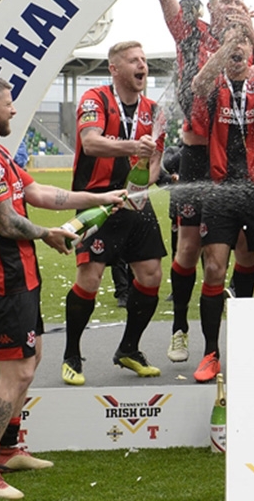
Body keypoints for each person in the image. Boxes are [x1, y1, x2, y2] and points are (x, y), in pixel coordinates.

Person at [0, 74, 123, 499]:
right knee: (17, 373)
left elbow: (39, 193)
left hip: (19, 274)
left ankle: (8, 449)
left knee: (31, 361)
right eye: (8, 103)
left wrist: (100, 198)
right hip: (0, 279)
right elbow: (6, 222)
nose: (14, 109)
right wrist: (48, 234)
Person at [188, 13, 254, 382]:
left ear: (252, 50)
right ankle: (210, 353)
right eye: (232, 42)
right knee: (215, 268)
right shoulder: (214, 82)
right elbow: (197, 84)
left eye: (243, 43)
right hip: (221, 191)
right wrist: (228, 44)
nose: (238, 48)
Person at [158, 0, 244, 363]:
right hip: (196, 155)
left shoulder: (251, 43)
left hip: (237, 158)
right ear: (210, 7)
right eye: (224, 1)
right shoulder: (192, 33)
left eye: (237, 1)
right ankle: (179, 327)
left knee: (236, 250)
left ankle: (238, 335)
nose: (231, 7)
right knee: (189, 247)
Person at [60, 41, 167, 386]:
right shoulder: (95, 99)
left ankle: (129, 349)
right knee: (89, 278)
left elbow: (156, 161)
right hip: (96, 200)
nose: (142, 65)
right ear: (115, 69)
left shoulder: (154, 110)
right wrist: (133, 146)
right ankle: (71, 355)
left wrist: (141, 186)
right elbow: (91, 142)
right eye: (134, 60)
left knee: (151, 275)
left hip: (135, 202)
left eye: (144, 60)